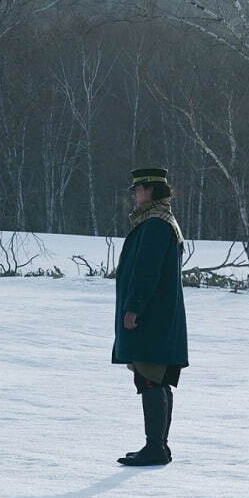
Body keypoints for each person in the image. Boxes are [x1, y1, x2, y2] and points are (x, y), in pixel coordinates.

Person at [112, 167, 188, 466]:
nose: (134, 194)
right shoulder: (158, 221)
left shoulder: (156, 224)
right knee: (153, 377)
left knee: (151, 378)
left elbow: (146, 272)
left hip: (151, 316)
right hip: (157, 314)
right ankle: (158, 446)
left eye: (139, 189)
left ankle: (156, 447)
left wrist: (134, 308)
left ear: (151, 190)